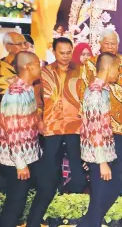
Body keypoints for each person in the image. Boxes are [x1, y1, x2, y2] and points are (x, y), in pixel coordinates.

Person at [81, 29, 122, 193]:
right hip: (97, 120)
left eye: (114, 43)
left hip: (120, 121)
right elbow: (83, 90)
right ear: (100, 44)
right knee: (100, 160)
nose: (111, 46)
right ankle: (100, 192)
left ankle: (117, 192)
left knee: (119, 158)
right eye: (107, 43)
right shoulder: (91, 64)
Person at [0, 51, 52, 227]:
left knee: (47, 186)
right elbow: (11, 131)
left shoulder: (28, 88)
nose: (41, 67)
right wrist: (20, 164)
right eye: (38, 64)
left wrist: (38, 122)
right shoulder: (14, 95)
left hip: (32, 152)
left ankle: (33, 223)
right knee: (16, 201)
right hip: (15, 158)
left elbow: (28, 114)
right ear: (29, 67)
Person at [39, 37, 87, 199]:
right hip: (52, 123)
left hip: (75, 122)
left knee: (76, 157)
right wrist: (39, 120)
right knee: (51, 159)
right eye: (61, 53)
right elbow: (38, 100)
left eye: (68, 52)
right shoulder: (44, 72)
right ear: (53, 52)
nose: (65, 56)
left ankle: (78, 192)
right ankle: (51, 191)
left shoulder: (81, 71)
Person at [78, 52, 121, 226]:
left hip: (100, 153)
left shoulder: (100, 90)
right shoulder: (96, 93)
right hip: (99, 155)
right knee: (100, 199)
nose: (118, 73)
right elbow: (95, 129)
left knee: (104, 196)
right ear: (109, 68)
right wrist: (101, 161)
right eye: (117, 69)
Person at [0, 32, 28, 102]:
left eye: (25, 43)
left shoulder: (31, 66)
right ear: (8, 47)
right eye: (19, 44)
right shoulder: (2, 66)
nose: (24, 47)